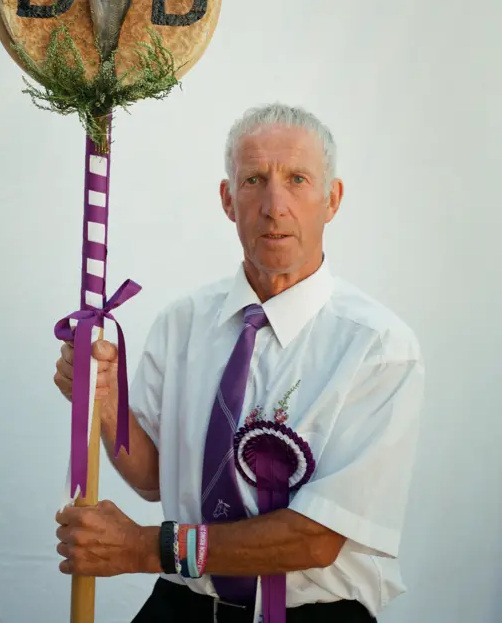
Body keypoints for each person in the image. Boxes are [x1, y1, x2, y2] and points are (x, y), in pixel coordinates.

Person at [53, 103, 424, 622]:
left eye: (297, 179)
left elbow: (317, 538)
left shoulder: (378, 347)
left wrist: (144, 547)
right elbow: (155, 479)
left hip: (314, 614)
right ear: (228, 200)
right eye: (254, 180)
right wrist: (108, 402)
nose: (275, 204)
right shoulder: (181, 322)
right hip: (182, 606)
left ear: (332, 199)